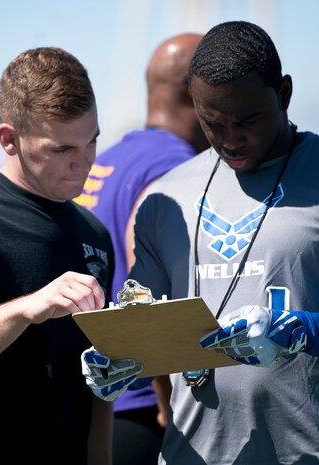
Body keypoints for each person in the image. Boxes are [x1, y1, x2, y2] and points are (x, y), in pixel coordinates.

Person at [82, 20, 319, 464]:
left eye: (247, 120)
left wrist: (304, 330)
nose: (230, 140)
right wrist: (115, 357)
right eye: (212, 123)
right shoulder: (164, 197)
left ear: (283, 94)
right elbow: (140, 311)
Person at [76, 32, 209, 465]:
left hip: (97, 400)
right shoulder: (174, 170)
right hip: (142, 409)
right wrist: (169, 405)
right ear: (197, 89)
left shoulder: (109, 159)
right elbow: (149, 299)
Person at [0, 46, 115, 465]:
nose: (84, 164)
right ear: (9, 140)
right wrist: (27, 309)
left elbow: (101, 380)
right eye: (61, 150)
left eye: (91, 142)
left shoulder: (93, 232)